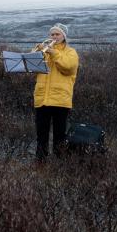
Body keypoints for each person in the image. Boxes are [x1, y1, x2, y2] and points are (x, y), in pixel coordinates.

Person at [32, 23, 79, 162]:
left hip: (60, 99)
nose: (54, 37)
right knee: (41, 135)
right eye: (52, 34)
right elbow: (32, 67)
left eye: (57, 34)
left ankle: (59, 165)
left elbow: (68, 67)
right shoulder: (44, 51)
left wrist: (53, 53)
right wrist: (37, 52)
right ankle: (40, 162)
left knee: (59, 135)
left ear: (64, 36)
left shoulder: (71, 52)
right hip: (42, 98)